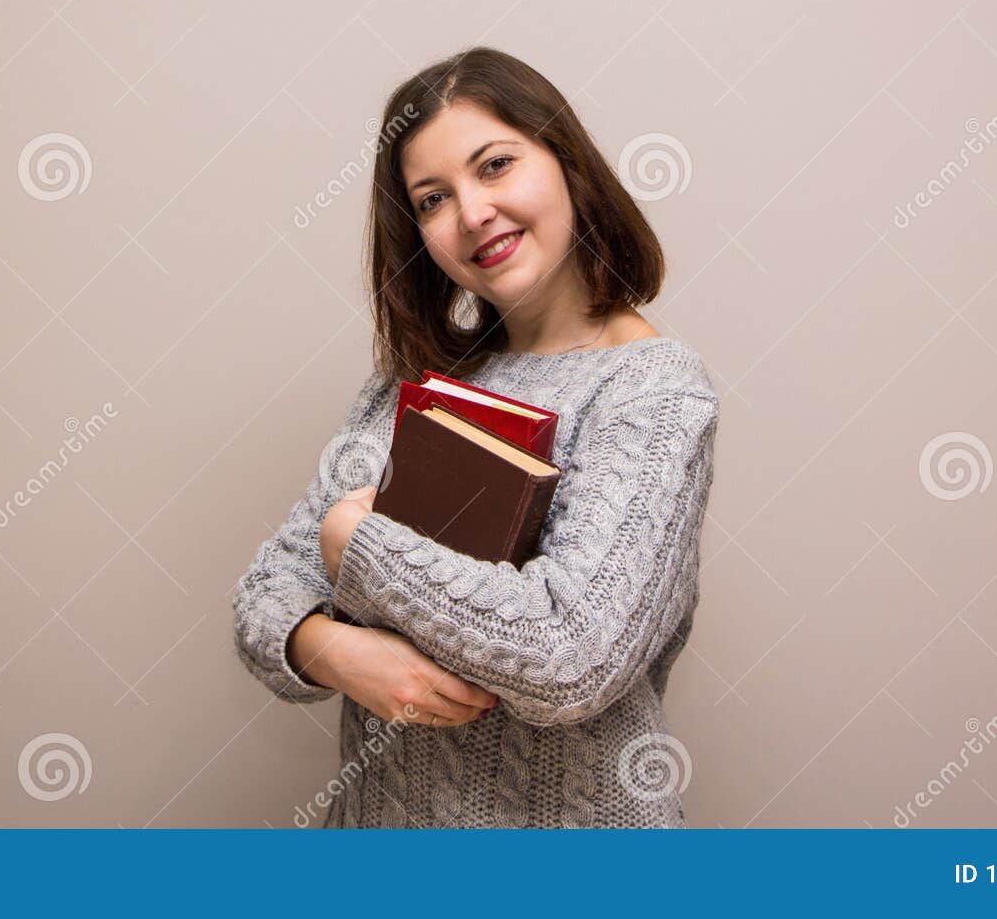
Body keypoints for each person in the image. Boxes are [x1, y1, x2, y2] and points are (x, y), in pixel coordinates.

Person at [231, 46, 720, 827]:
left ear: (568, 163)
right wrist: (337, 652)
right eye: (432, 199)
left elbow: (568, 655)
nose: (471, 213)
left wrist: (355, 545)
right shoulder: (411, 382)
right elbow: (264, 595)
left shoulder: (653, 389)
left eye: (495, 165)